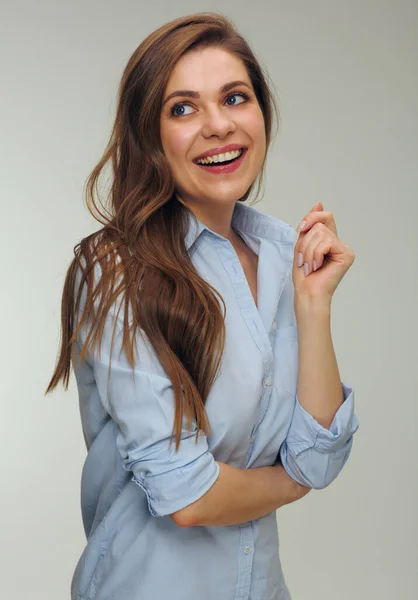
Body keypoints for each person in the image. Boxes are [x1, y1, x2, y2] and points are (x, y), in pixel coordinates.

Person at [45, 12, 359, 600]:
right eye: (183, 108)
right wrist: (289, 485)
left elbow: (318, 458)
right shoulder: (117, 271)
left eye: (235, 98)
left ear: (261, 113)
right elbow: (187, 497)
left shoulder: (281, 258)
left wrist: (313, 303)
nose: (218, 125)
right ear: (149, 134)